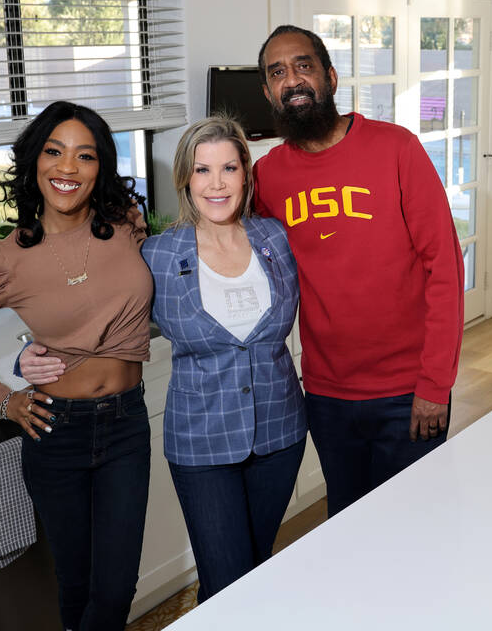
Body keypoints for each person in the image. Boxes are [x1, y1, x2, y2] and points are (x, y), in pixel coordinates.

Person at [22, 115, 306, 603]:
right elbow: (89, 308)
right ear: (185, 180)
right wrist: (28, 353)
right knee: (227, 582)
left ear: (246, 175)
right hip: (200, 444)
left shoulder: (275, 239)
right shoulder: (154, 254)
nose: (217, 184)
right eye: (202, 171)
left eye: (229, 169)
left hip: (281, 433)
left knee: (258, 569)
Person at [0, 101, 153, 631]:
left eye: (85, 156)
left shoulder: (126, 225)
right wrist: (4, 399)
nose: (67, 168)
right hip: (57, 430)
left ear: (101, 168)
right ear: (34, 162)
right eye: (54, 152)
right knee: (77, 580)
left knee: (116, 588)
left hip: (126, 424)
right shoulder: (4, 259)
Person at [252, 24, 464, 516]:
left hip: (409, 393)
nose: (292, 80)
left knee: (413, 529)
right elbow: (233, 244)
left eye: (303, 66)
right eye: (277, 72)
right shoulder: (269, 176)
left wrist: (435, 385)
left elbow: (445, 269)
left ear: (329, 76)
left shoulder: (396, 149)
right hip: (327, 395)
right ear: (268, 92)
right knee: (346, 527)